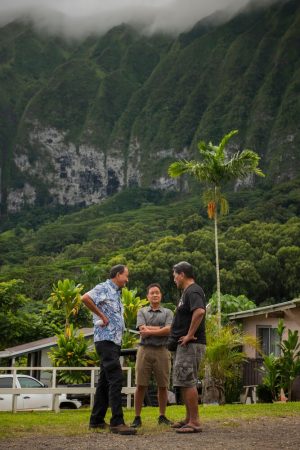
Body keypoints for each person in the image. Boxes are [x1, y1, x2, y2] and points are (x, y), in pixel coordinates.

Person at [81, 264, 137, 435]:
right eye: (126, 275)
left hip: (113, 341)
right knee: (116, 377)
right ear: (118, 274)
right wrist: (101, 315)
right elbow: (85, 298)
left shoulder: (115, 292)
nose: (127, 279)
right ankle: (117, 422)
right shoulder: (104, 287)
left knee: (105, 381)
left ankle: (96, 421)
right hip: (105, 340)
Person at [169, 261, 206, 434]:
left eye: (175, 275)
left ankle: (195, 422)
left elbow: (199, 311)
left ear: (182, 274)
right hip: (184, 344)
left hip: (190, 344)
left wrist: (190, 335)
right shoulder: (186, 292)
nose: (174, 278)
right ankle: (188, 418)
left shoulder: (193, 290)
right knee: (183, 382)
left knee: (187, 380)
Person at [131, 283, 174, 428]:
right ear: (147, 296)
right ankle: (137, 417)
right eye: (152, 293)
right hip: (144, 350)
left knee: (163, 385)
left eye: (157, 292)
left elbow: (169, 330)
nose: (155, 295)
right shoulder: (141, 311)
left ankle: (162, 416)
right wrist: (160, 329)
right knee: (140, 384)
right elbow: (142, 329)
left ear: (161, 295)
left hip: (162, 350)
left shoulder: (168, 312)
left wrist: (150, 330)